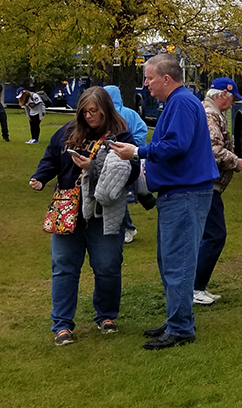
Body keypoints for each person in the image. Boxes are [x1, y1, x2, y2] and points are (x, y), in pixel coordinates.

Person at [110, 53, 218, 350]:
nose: (146, 84)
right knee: (169, 260)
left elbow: (176, 145)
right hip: (178, 193)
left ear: (166, 79)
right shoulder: (179, 101)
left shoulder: (181, 102)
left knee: (178, 262)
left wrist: (137, 152)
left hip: (185, 193)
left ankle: (181, 328)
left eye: (149, 78)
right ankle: (176, 319)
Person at [28, 86, 139, 346]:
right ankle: (62, 324)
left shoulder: (120, 134)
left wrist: (94, 166)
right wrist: (40, 177)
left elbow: (131, 170)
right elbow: (51, 158)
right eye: (85, 112)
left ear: (105, 110)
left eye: (95, 112)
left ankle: (106, 315)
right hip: (69, 210)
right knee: (64, 268)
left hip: (104, 211)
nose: (89, 117)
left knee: (108, 267)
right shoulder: (67, 132)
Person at [193, 78, 242, 305]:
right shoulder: (210, 115)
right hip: (207, 184)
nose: (234, 103)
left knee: (208, 235)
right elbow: (213, 149)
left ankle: (195, 286)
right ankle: (195, 287)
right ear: (223, 94)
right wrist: (235, 161)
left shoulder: (212, 113)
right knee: (215, 235)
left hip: (208, 183)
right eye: (233, 98)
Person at [104, 85, 148, 244]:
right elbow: (142, 130)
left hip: (122, 161)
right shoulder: (129, 113)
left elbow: (140, 131)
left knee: (116, 195)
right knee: (116, 195)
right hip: (120, 159)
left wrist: (131, 147)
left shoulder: (118, 114)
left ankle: (127, 227)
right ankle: (124, 227)